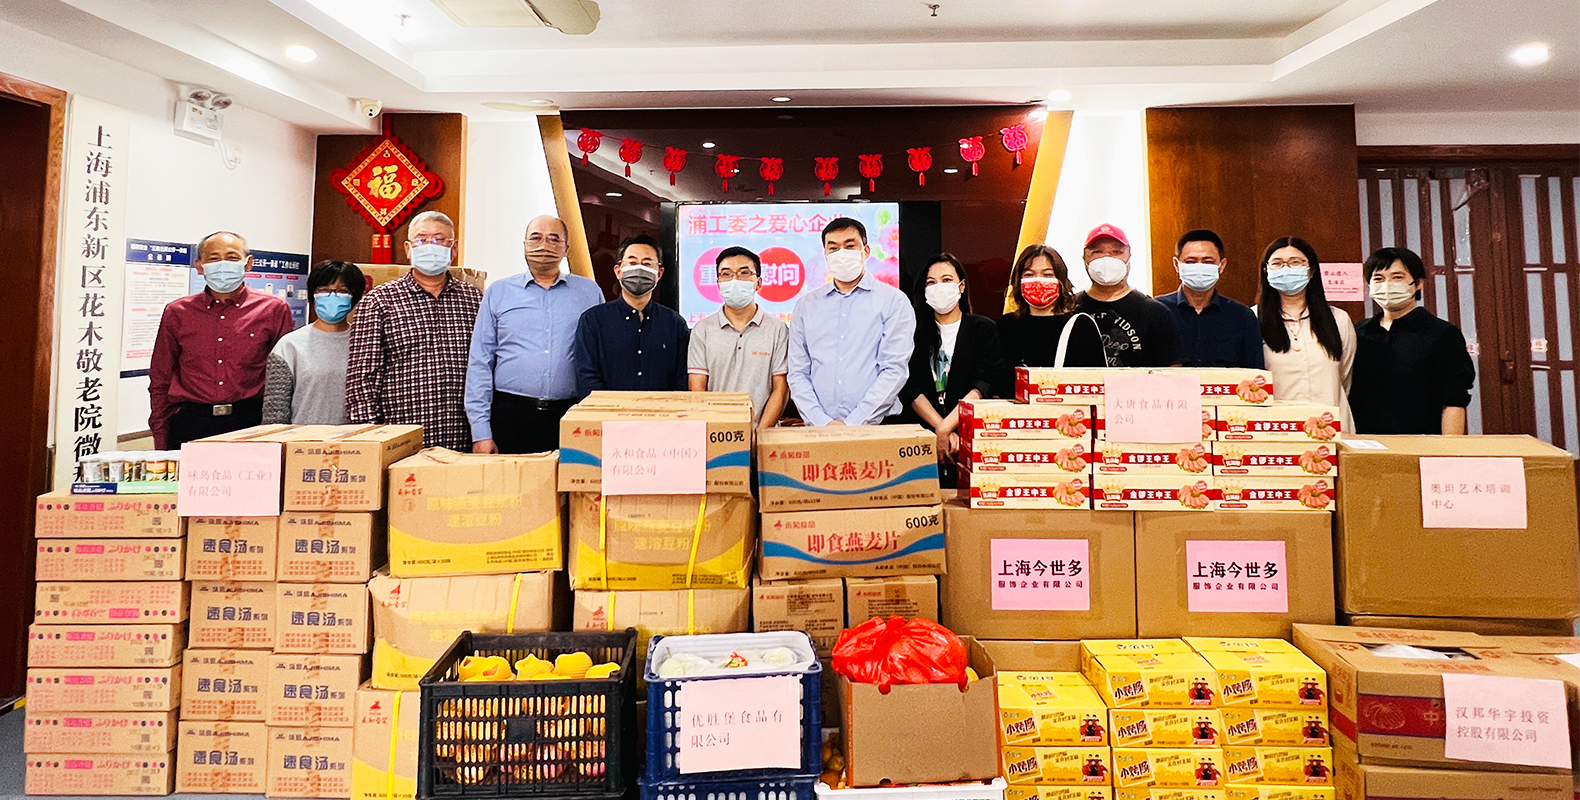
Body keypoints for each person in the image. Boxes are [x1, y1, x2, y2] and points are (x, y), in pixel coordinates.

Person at [345, 210, 482, 451]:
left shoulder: (475, 300)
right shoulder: (379, 301)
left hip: (463, 437)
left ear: (453, 249)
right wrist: (370, 438)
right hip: (401, 440)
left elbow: (487, 368)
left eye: (439, 240)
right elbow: (362, 378)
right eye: (422, 240)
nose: (430, 246)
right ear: (408, 249)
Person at [467, 215, 604, 455]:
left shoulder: (589, 293)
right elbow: (480, 361)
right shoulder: (499, 292)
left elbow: (601, 356)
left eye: (554, 239)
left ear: (566, 248)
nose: (544, 245)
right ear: (524, 245)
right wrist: (481, 432)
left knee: (572, 480)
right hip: (510, 416)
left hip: (571, 415)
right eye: (536, 238)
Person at [149, 231, 294, 449]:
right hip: (192, 422)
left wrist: (278, 433)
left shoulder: (273, 309)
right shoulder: (177, 312)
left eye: (232, 257)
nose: (223, 265)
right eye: (214, 258)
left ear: (248, 263)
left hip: (252, 422)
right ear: (200, 266)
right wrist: (161, 436)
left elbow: (284, 379)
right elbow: (161, 378)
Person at [786, 217, 915, 426]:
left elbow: (894, 370)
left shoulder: (894, 301)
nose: (841, 253)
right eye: (833, 248)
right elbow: (798, 372)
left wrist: (853, 423)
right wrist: (822, 422)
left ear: (866, 251)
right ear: (825, 254)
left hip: (878, 426)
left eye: (849, 245)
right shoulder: (806, 306)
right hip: (819, 428)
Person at [901, 253, 1005, 480]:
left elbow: (984, 383)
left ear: (961, 286)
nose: (939, 287)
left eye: (946, 280)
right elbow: (909, 387)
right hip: (922, 438)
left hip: (972, 436)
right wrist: (940, 428)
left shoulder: (982, 328)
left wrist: (947, 427)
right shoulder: (913, 332)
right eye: (931, 282)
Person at [1350, 246, 1476, 435]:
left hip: (1422, 442)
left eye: (1397, 277)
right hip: (1364, 443)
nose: (1387, 285)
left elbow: (1454, 399)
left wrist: (1450, 447)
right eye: (1379, 279)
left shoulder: (1443, 334)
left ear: (1418, 284)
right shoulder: (1359, 332)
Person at [1253, 237, 1355, 432]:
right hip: (1279, 430)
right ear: (1266, 271)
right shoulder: (1252, 319)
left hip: (1332, 429)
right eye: (1277, 263)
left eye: (1295, 262)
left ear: (1311, 270)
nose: (1286, 269)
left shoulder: (1338, 319)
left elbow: (1344, 376)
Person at [687, 246, 789, 428]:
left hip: (763, 433)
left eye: (744, 273)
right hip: (716, 433)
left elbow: (780, 389)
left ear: (758, 283)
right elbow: (697, 390)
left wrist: (760, 433)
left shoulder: (778, 329)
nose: (734, 280)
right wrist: (719, 433)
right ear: (718, 283)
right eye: (726, 274)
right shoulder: (702, 330)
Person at [573, 233, 689, 393]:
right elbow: (587, 377)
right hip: (606, 408)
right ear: (618, 271)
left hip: (662, 409)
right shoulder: (593, 321)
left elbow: (681, 380)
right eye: (632, 262)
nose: (639, 269)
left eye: (647, 264)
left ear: (659, 274)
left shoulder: (675, 324)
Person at [262, 260, 366, 425]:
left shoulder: (366, 343)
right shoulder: (289, 345)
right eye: (324, 290)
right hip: (301, 437)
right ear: (312, 295)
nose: (332, 296)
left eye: (342, 291)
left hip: (355, 438)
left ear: (355, 297)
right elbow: (275, 412)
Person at [995, 244, 1106, 391]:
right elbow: (996, 380)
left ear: (1061, 281)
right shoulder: (1006, 326)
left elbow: (1094, 382)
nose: (1038, 281)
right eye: (1029, 275)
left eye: (1047, 275)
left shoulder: (1081, 326)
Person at [1076, 223, 1183, 368]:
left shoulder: (1155, 312)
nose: (1107, 258)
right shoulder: (1068, 309)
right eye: (1097, 252)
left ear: (1129, 257)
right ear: (1084, 258)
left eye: (1116, 252)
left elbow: (1173, 370)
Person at [1156, 229, 1264, 369]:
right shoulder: (1156, 311)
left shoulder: (1241, 316)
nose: (1199, 267)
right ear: (1177, 265)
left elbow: (1254, 373)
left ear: (1221, 265)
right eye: (1191, 261)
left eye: (1208, 262)